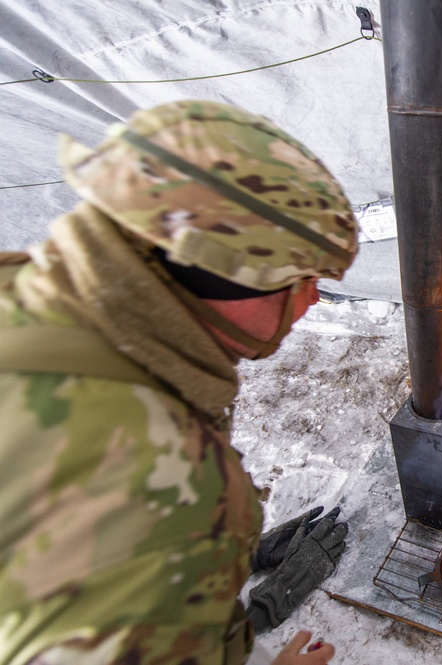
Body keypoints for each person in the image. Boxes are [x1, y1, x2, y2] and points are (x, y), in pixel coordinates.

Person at [0, 100, 358, 664]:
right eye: (303, 277)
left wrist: (225, 563)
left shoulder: (26, 292)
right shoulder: (157, 478)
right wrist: (259, 606)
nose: (314, 297)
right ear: (224, 274)